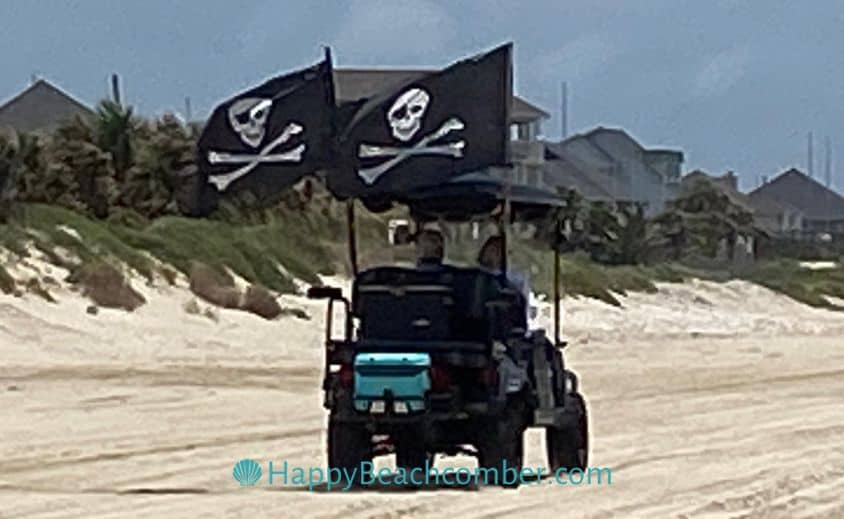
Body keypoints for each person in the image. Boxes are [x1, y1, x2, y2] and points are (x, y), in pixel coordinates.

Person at [477, 235, 532, 325]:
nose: (493, 253)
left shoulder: (514, 280)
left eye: (498, 251)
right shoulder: (473, 276)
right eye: (492, 250)